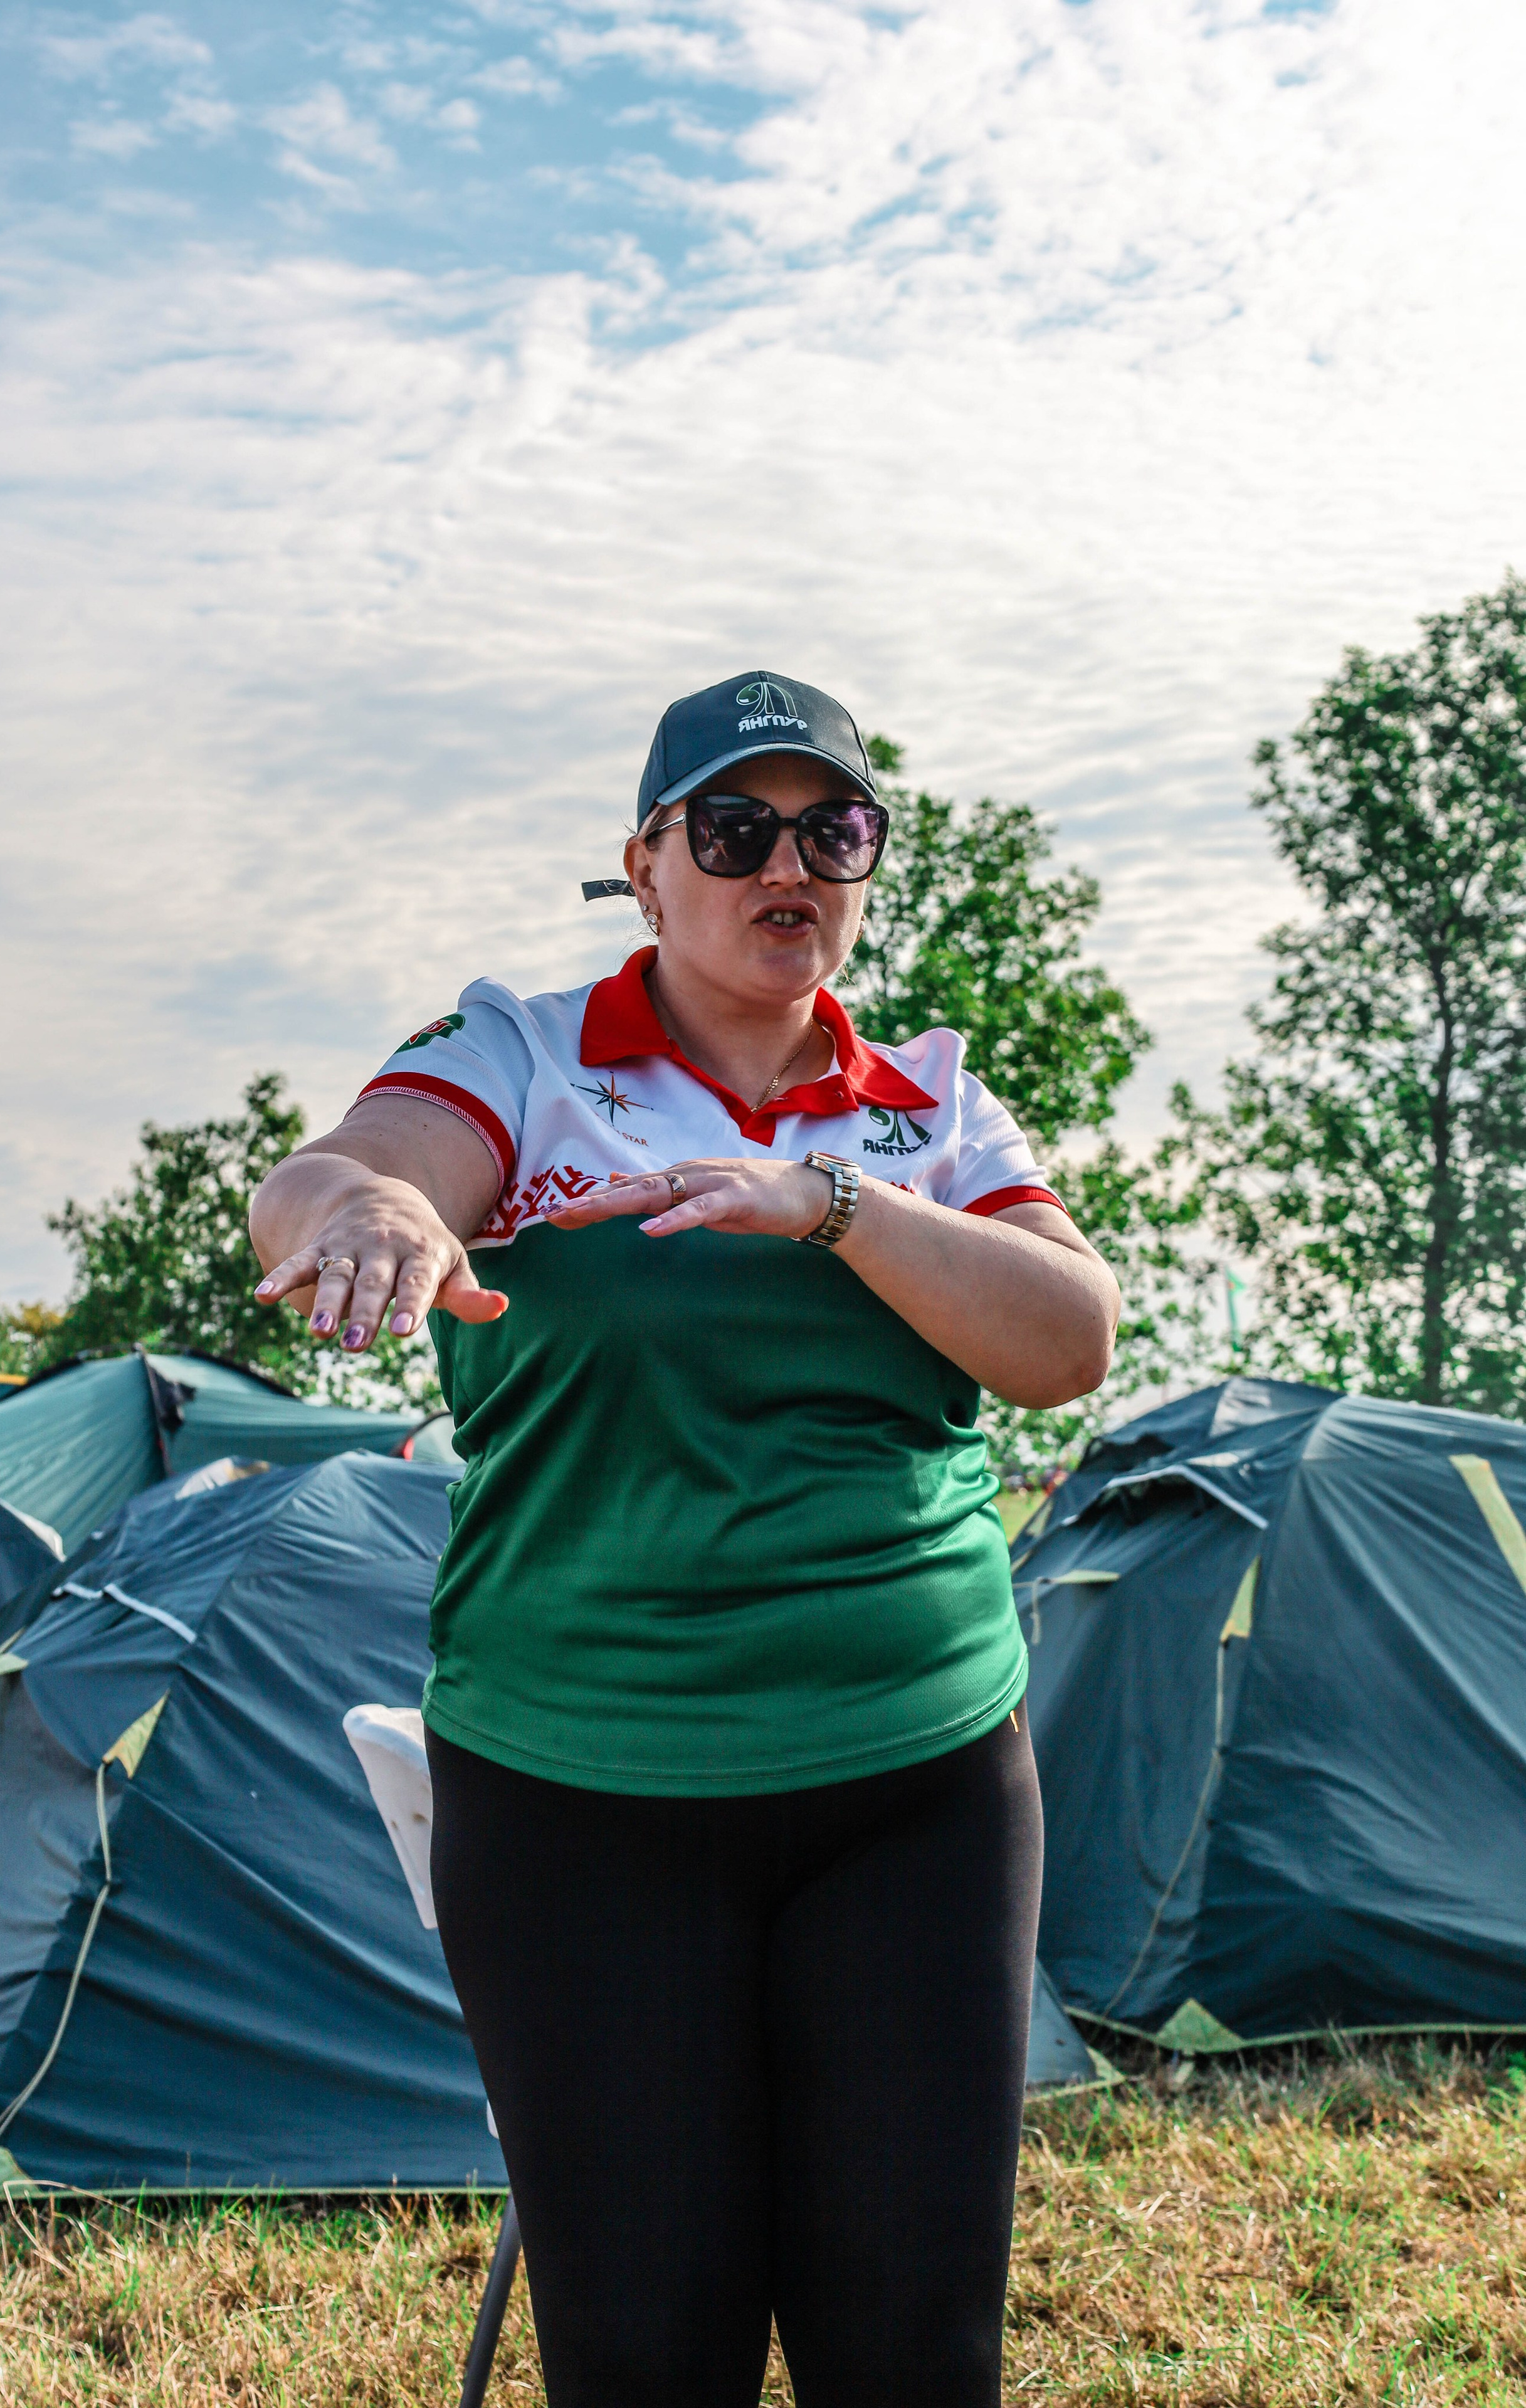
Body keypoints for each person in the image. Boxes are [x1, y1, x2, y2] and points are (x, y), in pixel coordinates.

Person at [250, 670, 1118, 2407]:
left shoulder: (925, 1103)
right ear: (646, 866)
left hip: (915, 1786)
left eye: (833, 828)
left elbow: (1067, 1339)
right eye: (734, 828)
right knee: (649, 2352)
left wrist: (841, 1208)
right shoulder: (520, 1054)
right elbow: (345, 1172)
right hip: (581, 1804)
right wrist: (375, 1213)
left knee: (913, 2347)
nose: (783, 861)